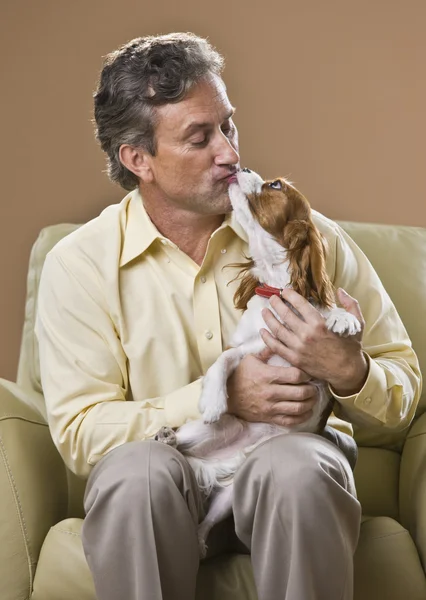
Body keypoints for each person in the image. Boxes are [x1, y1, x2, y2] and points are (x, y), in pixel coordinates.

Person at [35, 32, 421, 600]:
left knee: (296, 469)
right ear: (138, 158)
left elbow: (403, 390)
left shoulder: (306, 237)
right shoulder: (80, 265)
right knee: (134, 474)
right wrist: (218, 398)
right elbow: (81, 434)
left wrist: (349, 370)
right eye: (200, 137)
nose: (231, 153)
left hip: (291, 470)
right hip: (172, 483)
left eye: (228, 125)